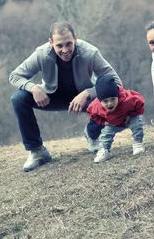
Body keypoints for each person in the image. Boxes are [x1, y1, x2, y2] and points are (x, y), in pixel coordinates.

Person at [10, 21, 122, 172]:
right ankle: (37, 151)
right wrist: (34, 88)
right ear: (51, 43)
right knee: (18, 98)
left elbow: (116, 83)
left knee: (114, 96)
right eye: (59, 46)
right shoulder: (41, 54)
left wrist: (88, 92)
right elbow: (15, 76)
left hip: (84, 98)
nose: (65, 50)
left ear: (75, 38)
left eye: (69, 44)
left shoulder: (90, 52)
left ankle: (92, 134)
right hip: (51, 96)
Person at [86, 75, 145, 163]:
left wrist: (130, 115)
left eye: (113, 99)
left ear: (117, 96)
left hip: (128, 118)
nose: (110, 104)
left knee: (137, 124)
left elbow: (140, 104)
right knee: (106, 134)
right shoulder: (96, 106)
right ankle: (105, 150)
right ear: (100, 100)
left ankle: (138, 143)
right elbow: (93, 115)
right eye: (105, 101)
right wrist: (104, 122)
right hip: (112, 122)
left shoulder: (127, 100)